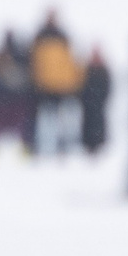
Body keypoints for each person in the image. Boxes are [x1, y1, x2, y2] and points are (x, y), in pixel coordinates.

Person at [29, 12, 82, 156]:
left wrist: (72, 83)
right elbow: (35, 62)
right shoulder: (40, 37)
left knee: (64, 119)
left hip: (61, 86)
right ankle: (46, 147)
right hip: (45, 86)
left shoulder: (62, 36)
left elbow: (69, 62)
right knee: (47, 119)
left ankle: (63, 147)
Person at [78, 46, 112, 155]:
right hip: (88, 104)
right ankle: (89, 146)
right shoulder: (87, 69)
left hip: (99, 104)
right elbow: (81, 86)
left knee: (98, 123)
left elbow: (107, 87)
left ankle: (99, 145)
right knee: (88, 123)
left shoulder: (103, 70)